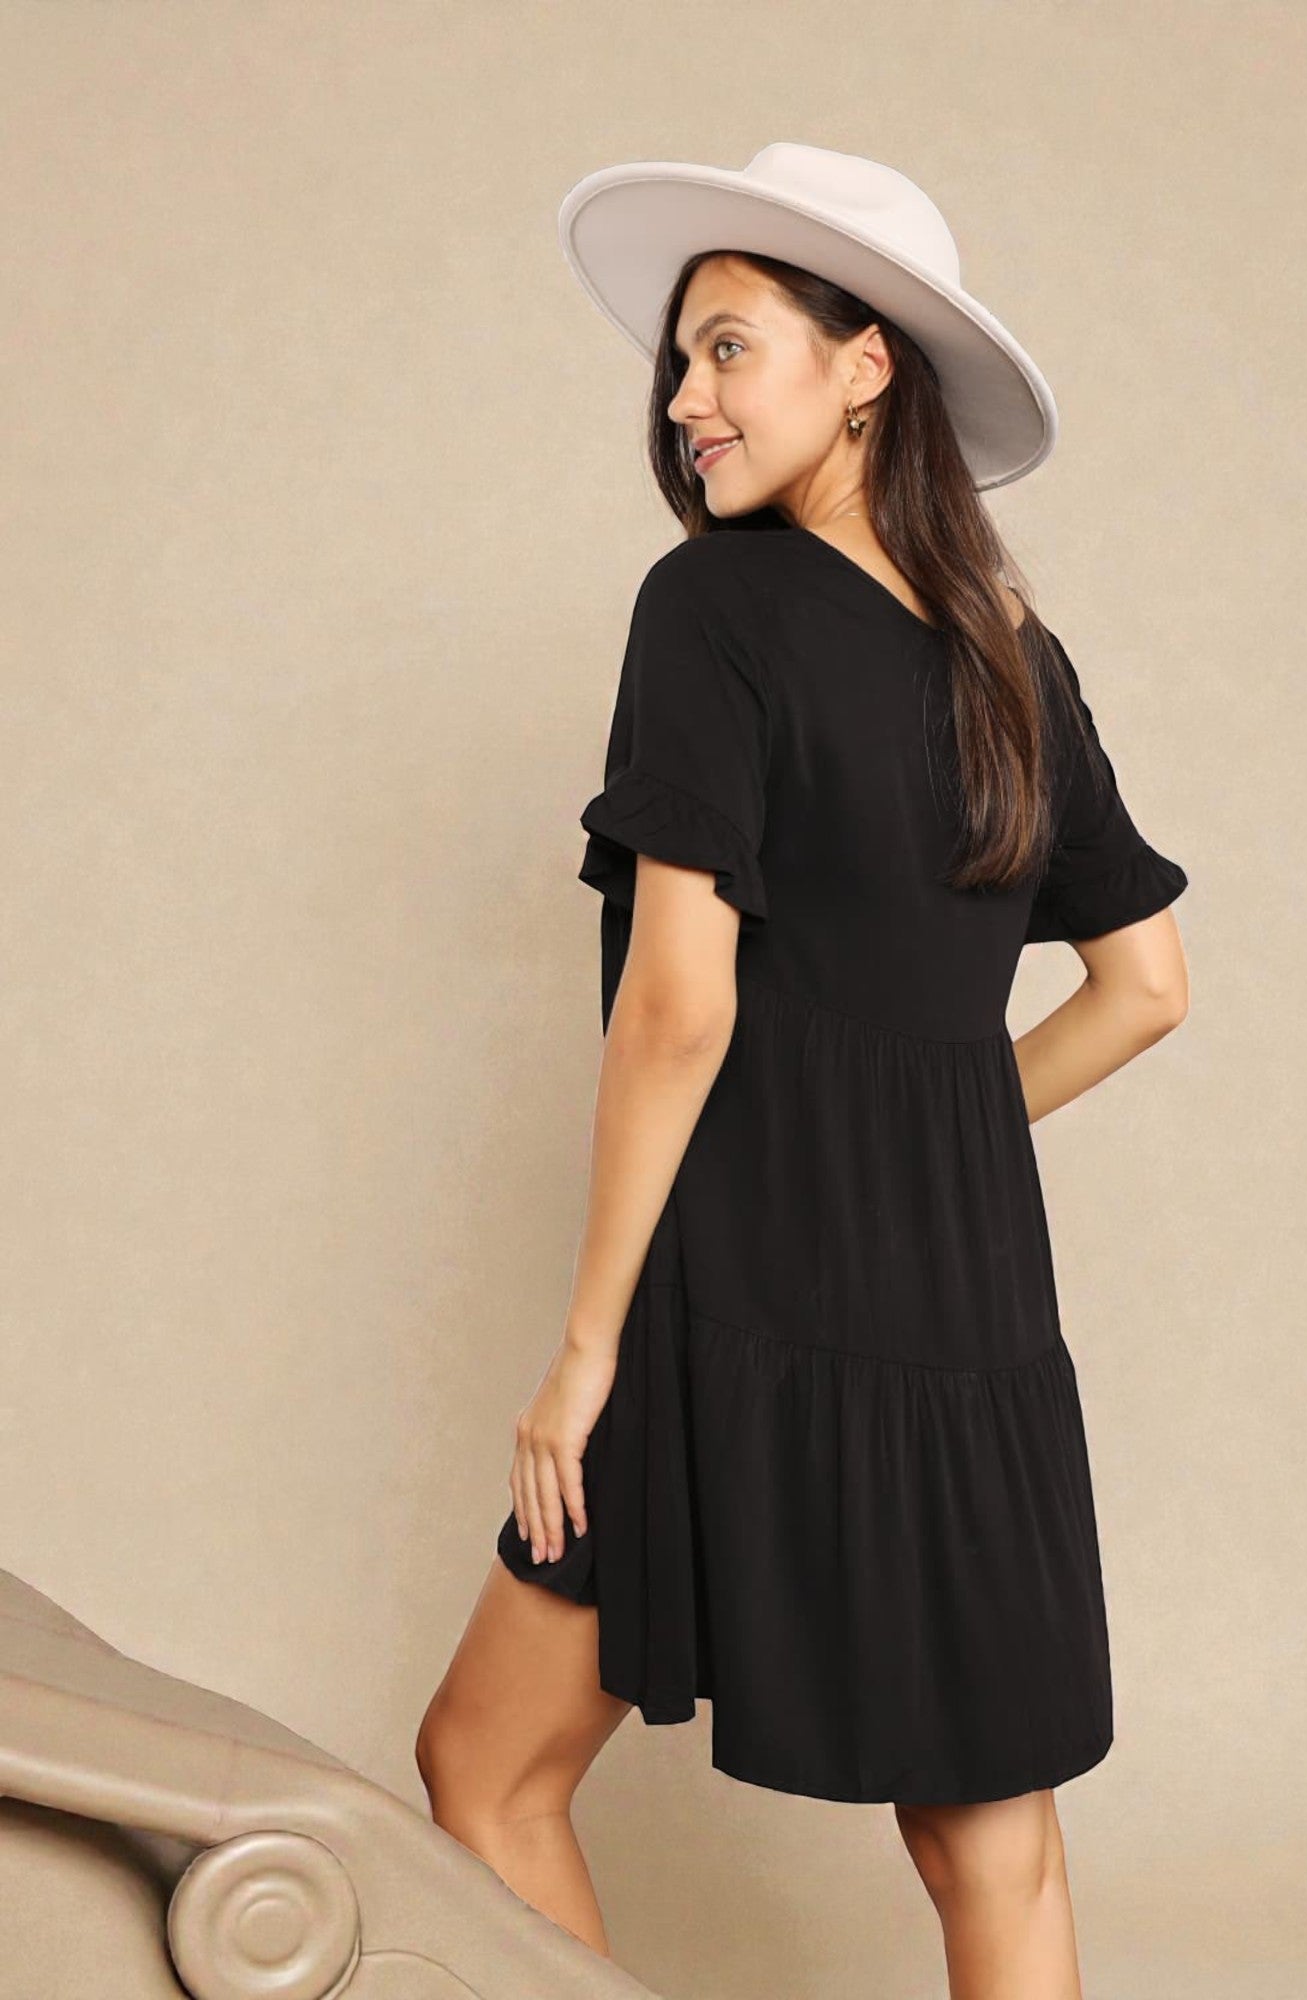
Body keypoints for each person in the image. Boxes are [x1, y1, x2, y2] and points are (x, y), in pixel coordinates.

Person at [415, 144, 1190, 1997]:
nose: (686, 398)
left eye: (729, 348)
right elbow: (1147, 986)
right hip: (972, 1317)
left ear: (865, 368)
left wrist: (588, 1349)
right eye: (678, 359)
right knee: (995, 1844)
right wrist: (935, 1141)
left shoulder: (715, 610)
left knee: (485, 1770)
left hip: (734, 1294)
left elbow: (679, 1008)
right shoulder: (1016, 657)